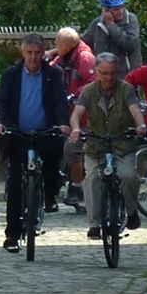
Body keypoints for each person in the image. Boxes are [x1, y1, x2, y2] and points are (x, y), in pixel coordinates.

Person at [0, 34, 71, 253]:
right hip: (18, 133)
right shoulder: (11, 75)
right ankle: (12, 236)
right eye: (29, 53)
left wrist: (63, 124)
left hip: (44, 131)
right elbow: (2, 101)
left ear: (43, 53)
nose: (34, 57)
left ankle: (49, 194)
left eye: (38, 53)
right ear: (23, 53)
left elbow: (59, 101)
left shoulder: (53, 74)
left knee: (52, 157)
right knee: (15, 182)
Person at [69, 53, 147, 240]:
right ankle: (94, 224)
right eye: (104, 73)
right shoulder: (88, 91)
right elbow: (76, 113)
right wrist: (76, 129)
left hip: (122, 144)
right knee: (92, 180)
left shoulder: (126, 90)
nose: (108, 78)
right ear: (97, 72)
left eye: (112, 73)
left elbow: (135, 109)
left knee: (128, 176)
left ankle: (131, 211)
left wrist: (140, 126)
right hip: (96, 144)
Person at [50, 27, 97, 211]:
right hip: (68, 114)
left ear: (65, 44)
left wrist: (74, 95)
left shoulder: (85, 58)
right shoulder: (65, 56)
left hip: (84, 116)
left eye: (57, 43)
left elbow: (93, 82)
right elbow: (52, 68)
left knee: (72, 150)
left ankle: (77, 187)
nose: (55, 46)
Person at [82, 0, 142, 79]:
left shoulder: (131, 20)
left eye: (122, 7)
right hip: (105, 77)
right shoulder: (98, 23)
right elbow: (83, 42)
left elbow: (130, 43)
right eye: (116, 9)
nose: (120, 11)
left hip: (128, 76)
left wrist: (111, 25)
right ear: (105, 10)